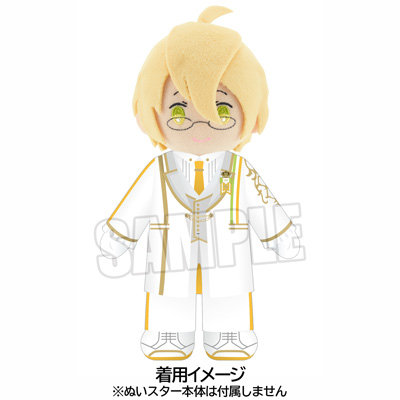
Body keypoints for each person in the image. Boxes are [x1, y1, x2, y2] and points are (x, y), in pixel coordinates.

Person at [100, 6, 300, 361]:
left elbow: (261, 202)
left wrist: (278, 234)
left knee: (230, 292)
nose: (201, 124)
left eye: (222, 111)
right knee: (168, 292)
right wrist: (119, 236)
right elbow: (136, 204)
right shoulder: (159, 170)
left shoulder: (239, 170)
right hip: (168, 250)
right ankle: (168, 334)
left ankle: (228, 334)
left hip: (229, 248)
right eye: (178, 112)